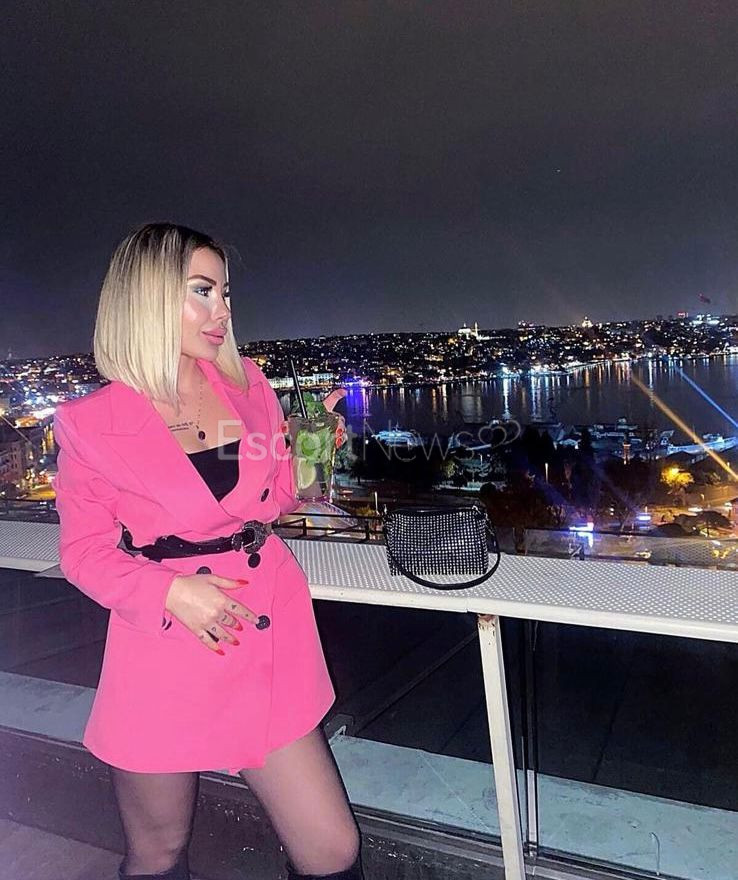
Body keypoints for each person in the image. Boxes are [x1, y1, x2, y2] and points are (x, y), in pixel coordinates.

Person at [52, 223, 363, 880]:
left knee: (332, 848)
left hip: (261, 632)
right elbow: (82, 551)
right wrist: (168, 590)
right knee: (158, 852)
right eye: (203, 291)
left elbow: (276, 499)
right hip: (165, 642)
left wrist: (311, 447)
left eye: (224, 293)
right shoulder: (93, 423)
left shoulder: (245, 387)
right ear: (147, 297)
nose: (222, 310)